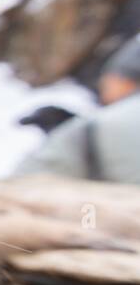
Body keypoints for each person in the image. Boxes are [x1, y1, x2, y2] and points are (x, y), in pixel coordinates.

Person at [16, 35, 140, 185]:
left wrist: (83, 136)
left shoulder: (102, 128)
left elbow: (20, 186)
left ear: (126, 80)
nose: (102, 92)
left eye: (107, 83)